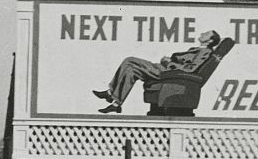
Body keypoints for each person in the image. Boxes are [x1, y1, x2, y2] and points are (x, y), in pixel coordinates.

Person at [93, 30, 227, 114]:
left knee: (129, 60)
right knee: (130, 70)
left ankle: (111, 93)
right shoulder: (197, 50)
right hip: (165, 72)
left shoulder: (205, 52)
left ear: (210, 40)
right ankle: (116, 103)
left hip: (166, 73)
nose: (202, 33)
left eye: (206, 34)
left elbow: (189, 69)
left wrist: (168, 62)